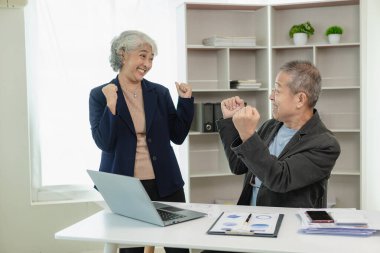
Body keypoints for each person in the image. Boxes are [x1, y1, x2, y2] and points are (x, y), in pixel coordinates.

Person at [89, 30, 193, 253]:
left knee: (179, 246)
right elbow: (104, 143)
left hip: (165, 182)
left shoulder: (160, 92)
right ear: (123, 54)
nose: (147, 63)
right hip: (126, 187)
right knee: (133, 249)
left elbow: (178, 135)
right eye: (143, 56)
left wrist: (185, 102)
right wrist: (112, 105)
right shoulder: (100, 94)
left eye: (151, 58)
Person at [217, 60, 341, 208]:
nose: (271, 96)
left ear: (300, 99)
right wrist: (231, 121)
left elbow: (280, 179)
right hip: (254, 220)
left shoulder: (325, 145)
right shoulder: (270, 126)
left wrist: (249, 134)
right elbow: (238, 166)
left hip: (291, 226)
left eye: (277, 90)